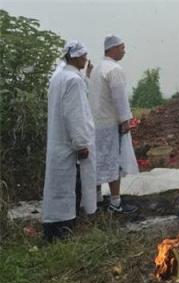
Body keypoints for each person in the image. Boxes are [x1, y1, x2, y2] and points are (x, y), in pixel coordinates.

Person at [42, 40, 97, 241]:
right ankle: (64, 230)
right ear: (74, 57)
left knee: (59, 187)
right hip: (68, 143)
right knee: (68, 187)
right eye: (83, 55)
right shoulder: (73, 80)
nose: (85, 59)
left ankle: (55, 229)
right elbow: (76, 114)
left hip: (59, 141)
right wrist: (81, 143)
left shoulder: (59, 77)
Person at [89, 35, 139, 213]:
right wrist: (125, 120)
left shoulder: (97, 69)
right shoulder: (114, 69)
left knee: (97, 161)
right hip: (110, 124)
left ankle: (95, 201)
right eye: (122, 47)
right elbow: (120, 98)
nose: (124, 51)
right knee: (113, 163)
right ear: (112, 49)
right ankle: (115, 203)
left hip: (96, 123)